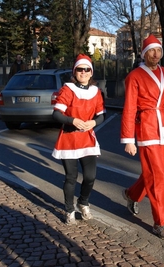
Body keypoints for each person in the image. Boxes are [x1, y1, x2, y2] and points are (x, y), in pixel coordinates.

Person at [120, 34, 164, 240]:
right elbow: (130, 108)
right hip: (147, 128)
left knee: (153, 171)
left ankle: (132, 194)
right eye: (151, 50)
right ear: (144, 54)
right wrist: (128, 139)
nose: (156, 53)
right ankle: (162, 222)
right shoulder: (134, 76)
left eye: (158, 50)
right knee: (158, 175)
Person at [52, 54, 105, 225]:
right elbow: (56, 114)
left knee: (90, 176)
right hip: (69, 138)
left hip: (87, 138)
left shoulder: (95, 92)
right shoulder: (67, 90)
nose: (83, 72)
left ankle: (83, 202)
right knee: (71, 177)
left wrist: (93, 122)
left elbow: (101, 116)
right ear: (75, 72)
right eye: (80, 69)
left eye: (86, 69)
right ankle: (69, 209)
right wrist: (72, 120)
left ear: (91, 73)